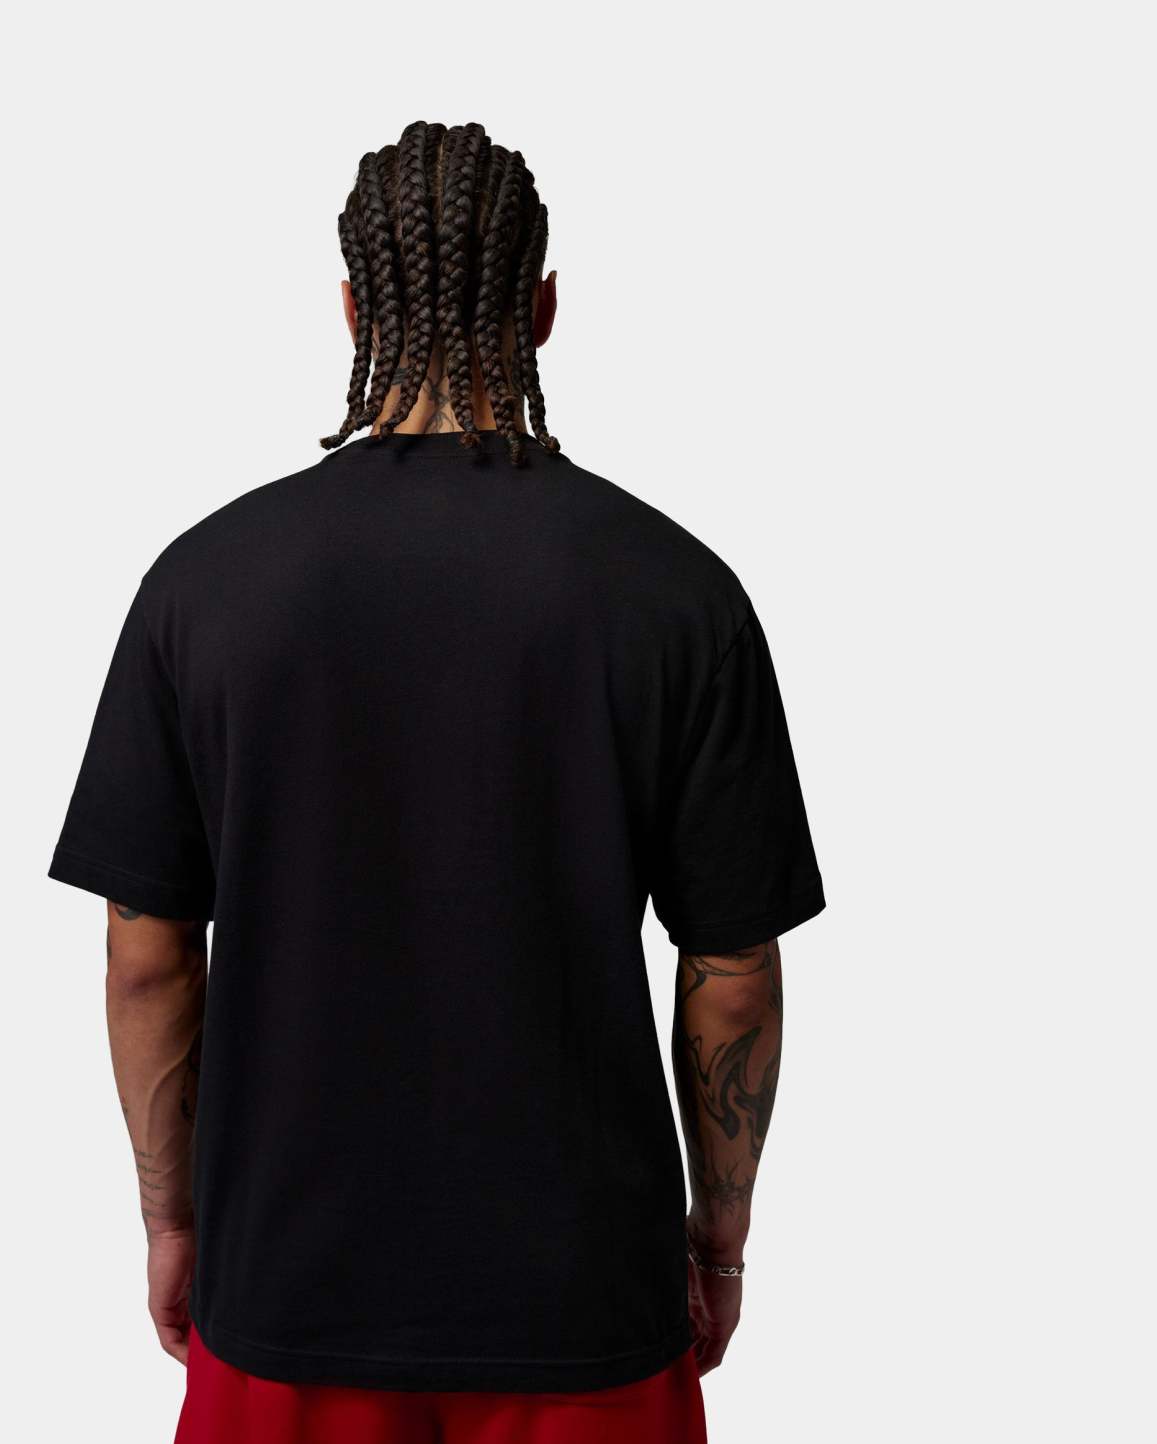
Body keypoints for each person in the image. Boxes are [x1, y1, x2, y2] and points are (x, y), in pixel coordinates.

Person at [49, 120, 824, 1444]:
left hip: (286, 1289)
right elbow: (732, 969)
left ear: (352, 309)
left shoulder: (204, 584)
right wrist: (719, 1236)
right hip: (585, 1307)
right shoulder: (677, 592)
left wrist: (172, 1219)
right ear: (544, 309)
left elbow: (146, 959)